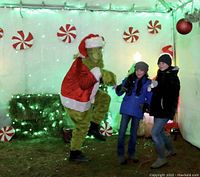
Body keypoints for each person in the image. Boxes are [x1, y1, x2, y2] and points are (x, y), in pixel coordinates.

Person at [60, 34, 116, 162]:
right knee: (82, 125)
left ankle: (94, 126)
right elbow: (84, 83)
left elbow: (95, 78)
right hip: (74, 97)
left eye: (99, 49)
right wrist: (100, 73)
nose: (98, 53)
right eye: (93, 50)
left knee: (104, 98)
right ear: (88, 51)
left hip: (87, 92)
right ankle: (75, 152)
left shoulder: (94, 62)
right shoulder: (81, 63)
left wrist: (104, 77)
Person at [115, 61, 152, 165]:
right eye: (137, 70)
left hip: (137, 109)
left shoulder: (148, 83)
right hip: (126, 108)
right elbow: (119, 93)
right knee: (122, 132)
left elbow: (149, 97)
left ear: (145, 71)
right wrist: (120, 88)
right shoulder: (128, 79)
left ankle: (132, 153)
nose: (139, 72)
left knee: (134, 134)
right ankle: (120, 154)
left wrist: (146, 105)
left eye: (141, 70)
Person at [149, 53, 180, 169]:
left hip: (165, 109)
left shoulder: (173, 76)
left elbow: (171, 91)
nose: (160, 65)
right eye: (159, 62)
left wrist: (157, 85)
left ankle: (162, 158)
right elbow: (158, 92)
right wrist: (152, 87)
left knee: (155, 133)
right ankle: (171, 150)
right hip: (158, 108)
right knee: (160, 131)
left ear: (168, 64)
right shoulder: (160, 74)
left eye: (163, 63)